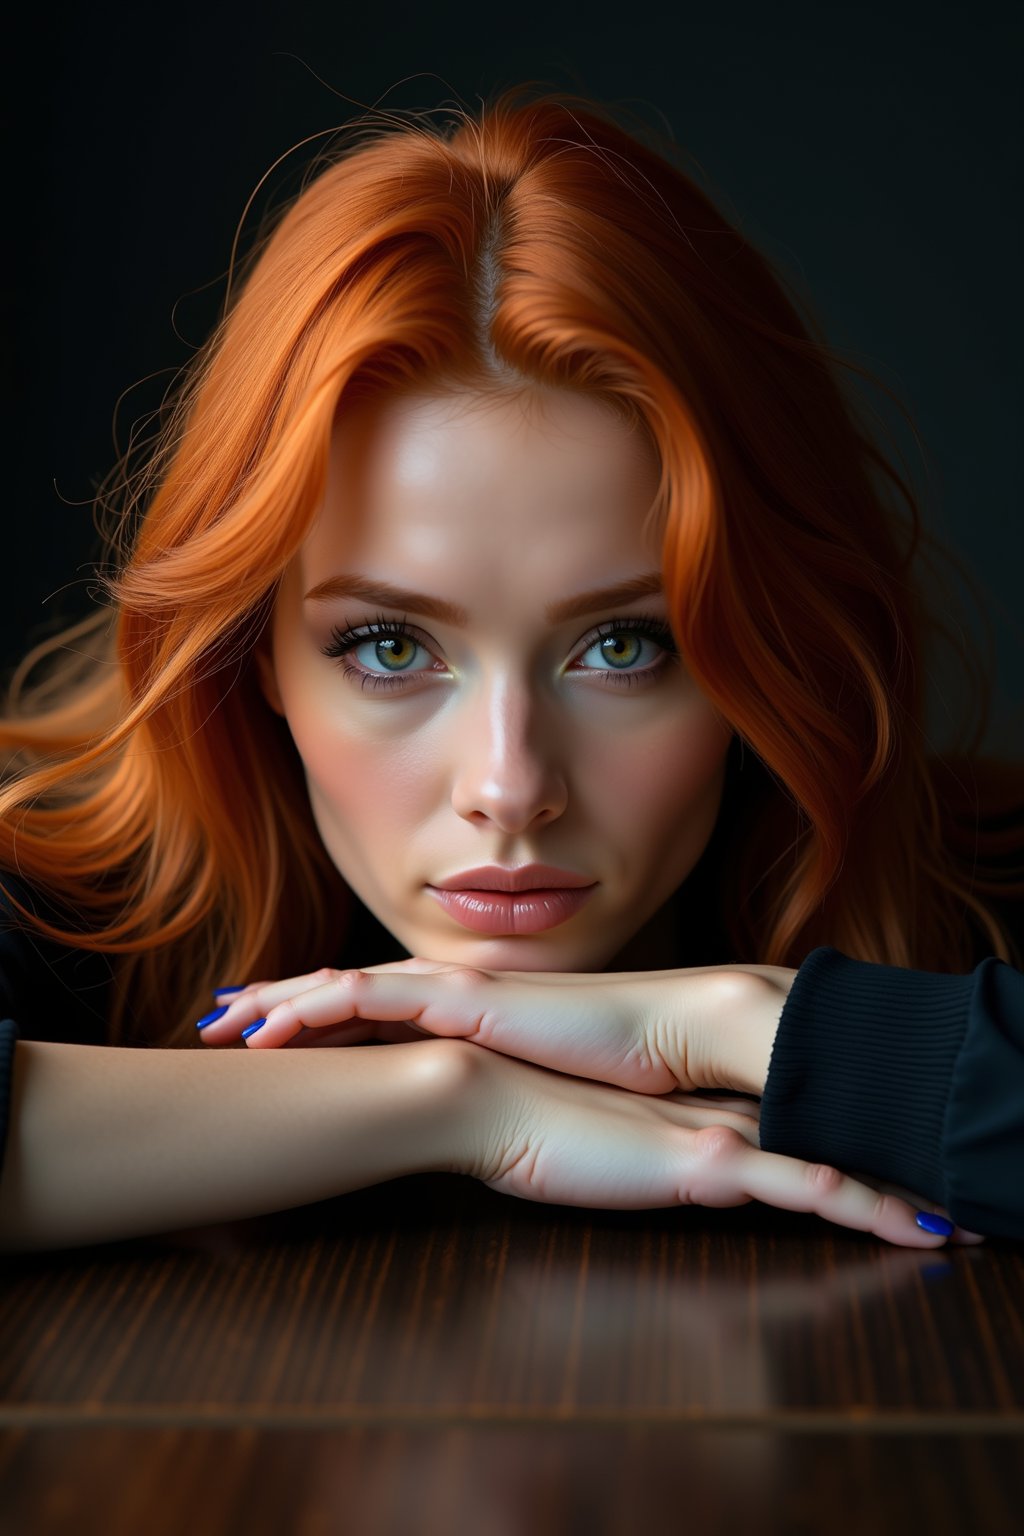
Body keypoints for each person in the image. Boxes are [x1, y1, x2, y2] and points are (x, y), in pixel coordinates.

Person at [0, 85, 1020, 1256]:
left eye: (624, 646)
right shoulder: (61, 904)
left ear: (764, 654)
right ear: (254, 655)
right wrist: (449, 1102)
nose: (509, 784)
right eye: (389, 647)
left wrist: (753, 1027)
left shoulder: (981, 906)